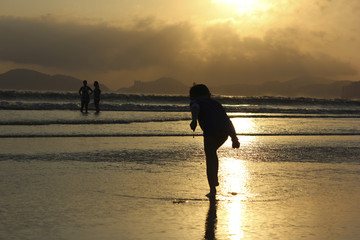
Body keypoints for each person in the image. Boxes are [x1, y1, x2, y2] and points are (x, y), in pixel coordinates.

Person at [189, 84, 240, 198]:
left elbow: (195, 108)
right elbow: (227, 120)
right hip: (224, 133)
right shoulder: (216, 104)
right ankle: (214, 179)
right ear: (208, 94)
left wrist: (194, 120)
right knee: (212, 154)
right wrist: (234, 138)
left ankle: (212, 188)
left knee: (210, 157)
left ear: (193, 96)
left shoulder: (195, 102)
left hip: (210, 133)